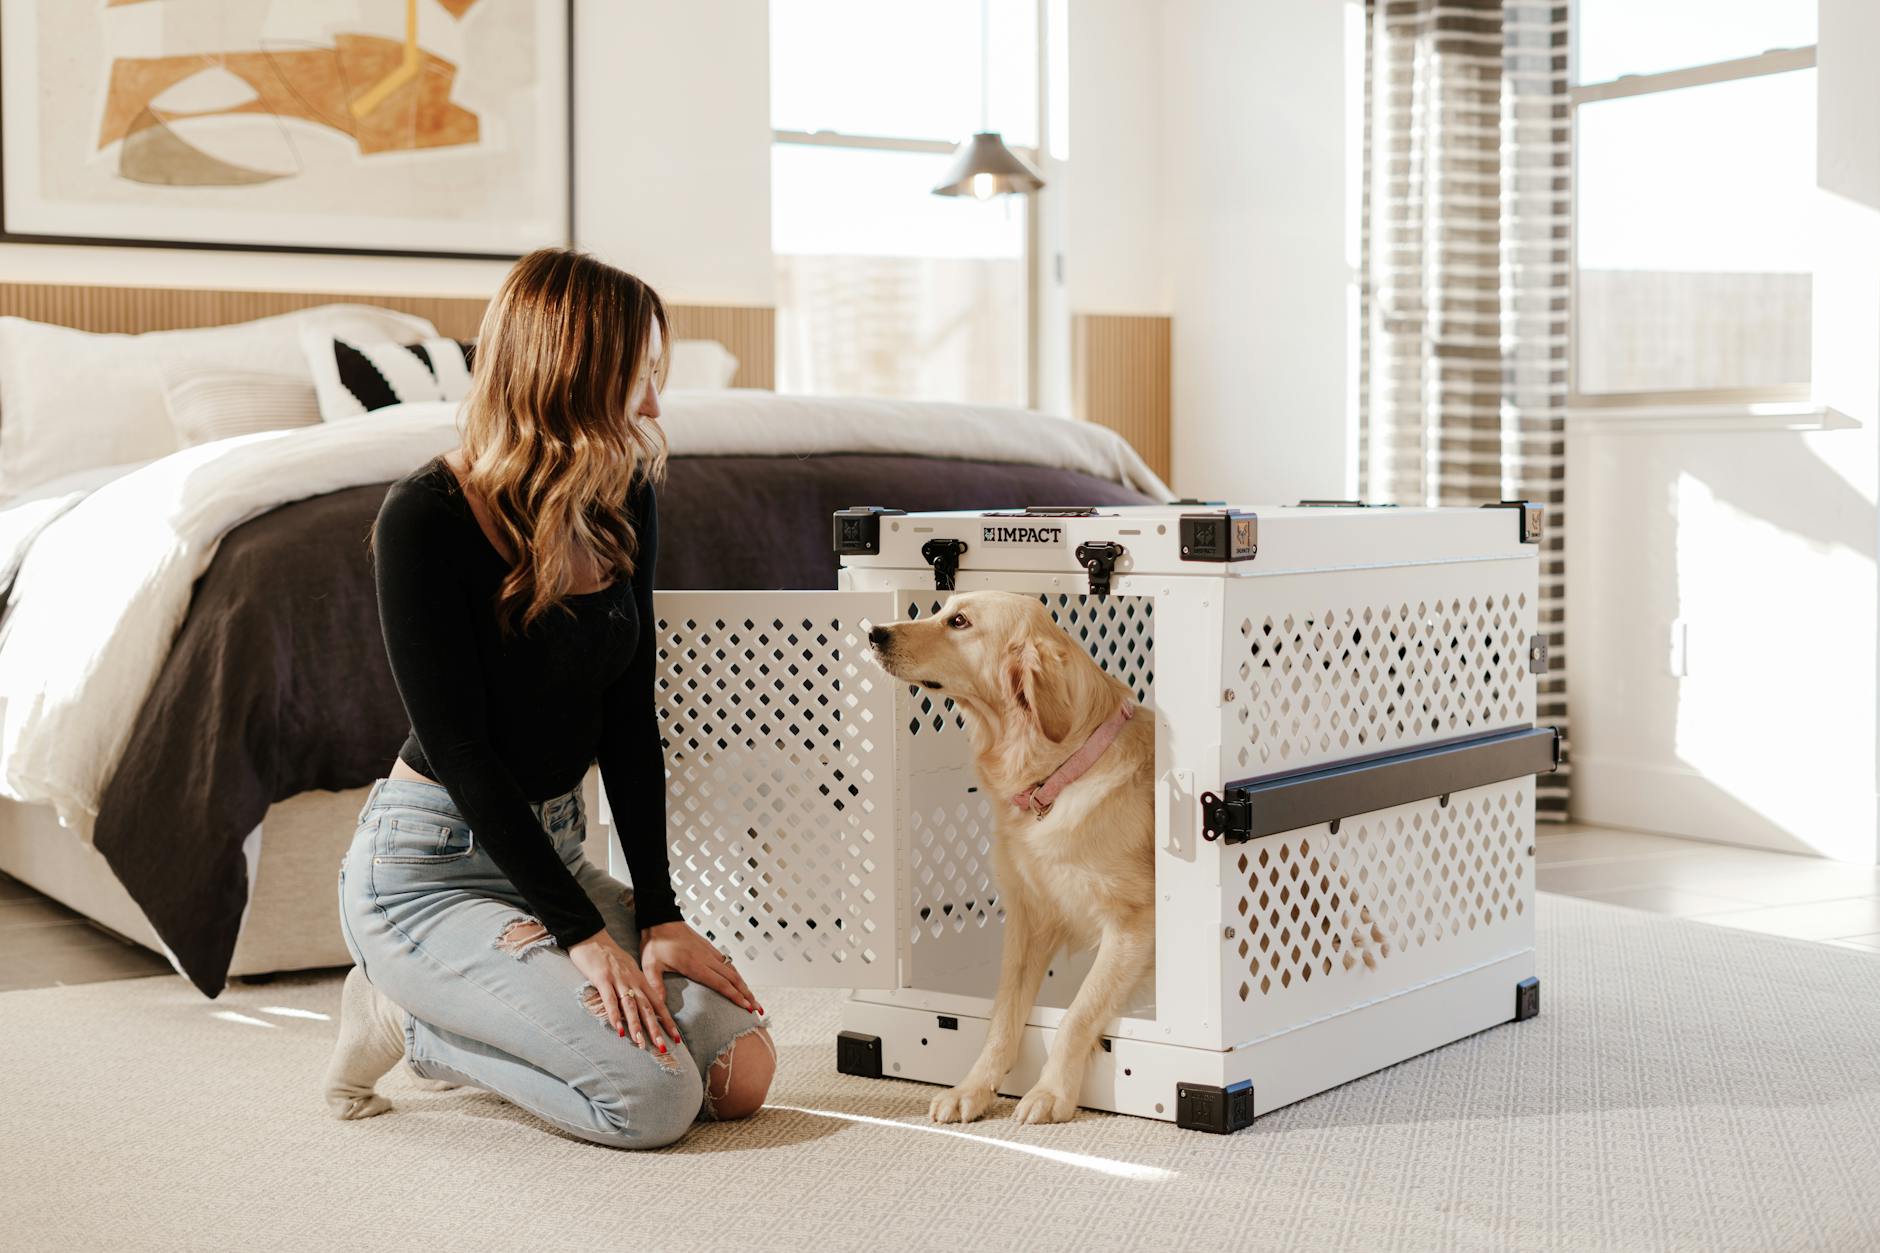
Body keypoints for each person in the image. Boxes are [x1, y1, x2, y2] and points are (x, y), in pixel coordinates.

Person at [321, 247, 776, 1149]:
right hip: (431, 870)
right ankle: (403, 1017)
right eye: (635, 377)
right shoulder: (424, 515)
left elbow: (628, 718)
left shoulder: (622, 494)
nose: (654, 406)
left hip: (554, 850)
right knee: (652, 1102)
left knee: (739, 1071)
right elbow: (461, 749)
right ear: (568, 374)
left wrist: (660, 915)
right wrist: (582, 935)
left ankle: (482, 1002)